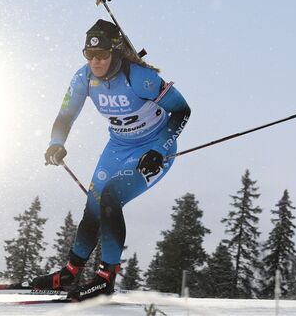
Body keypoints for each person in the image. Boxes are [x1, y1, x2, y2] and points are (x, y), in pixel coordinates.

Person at [31, 19, 191, 301]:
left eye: (102, 55)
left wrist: (159, 150)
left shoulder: (140, 77)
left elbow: (181, 110)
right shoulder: (83, 79)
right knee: (93, 206)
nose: (95, 61)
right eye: (89, 55)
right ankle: (70, 272)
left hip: (153, 148)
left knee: (110, 199)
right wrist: (56, 144)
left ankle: (106, 277)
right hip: (117, 147)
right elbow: (65, 115)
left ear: (114, 52)